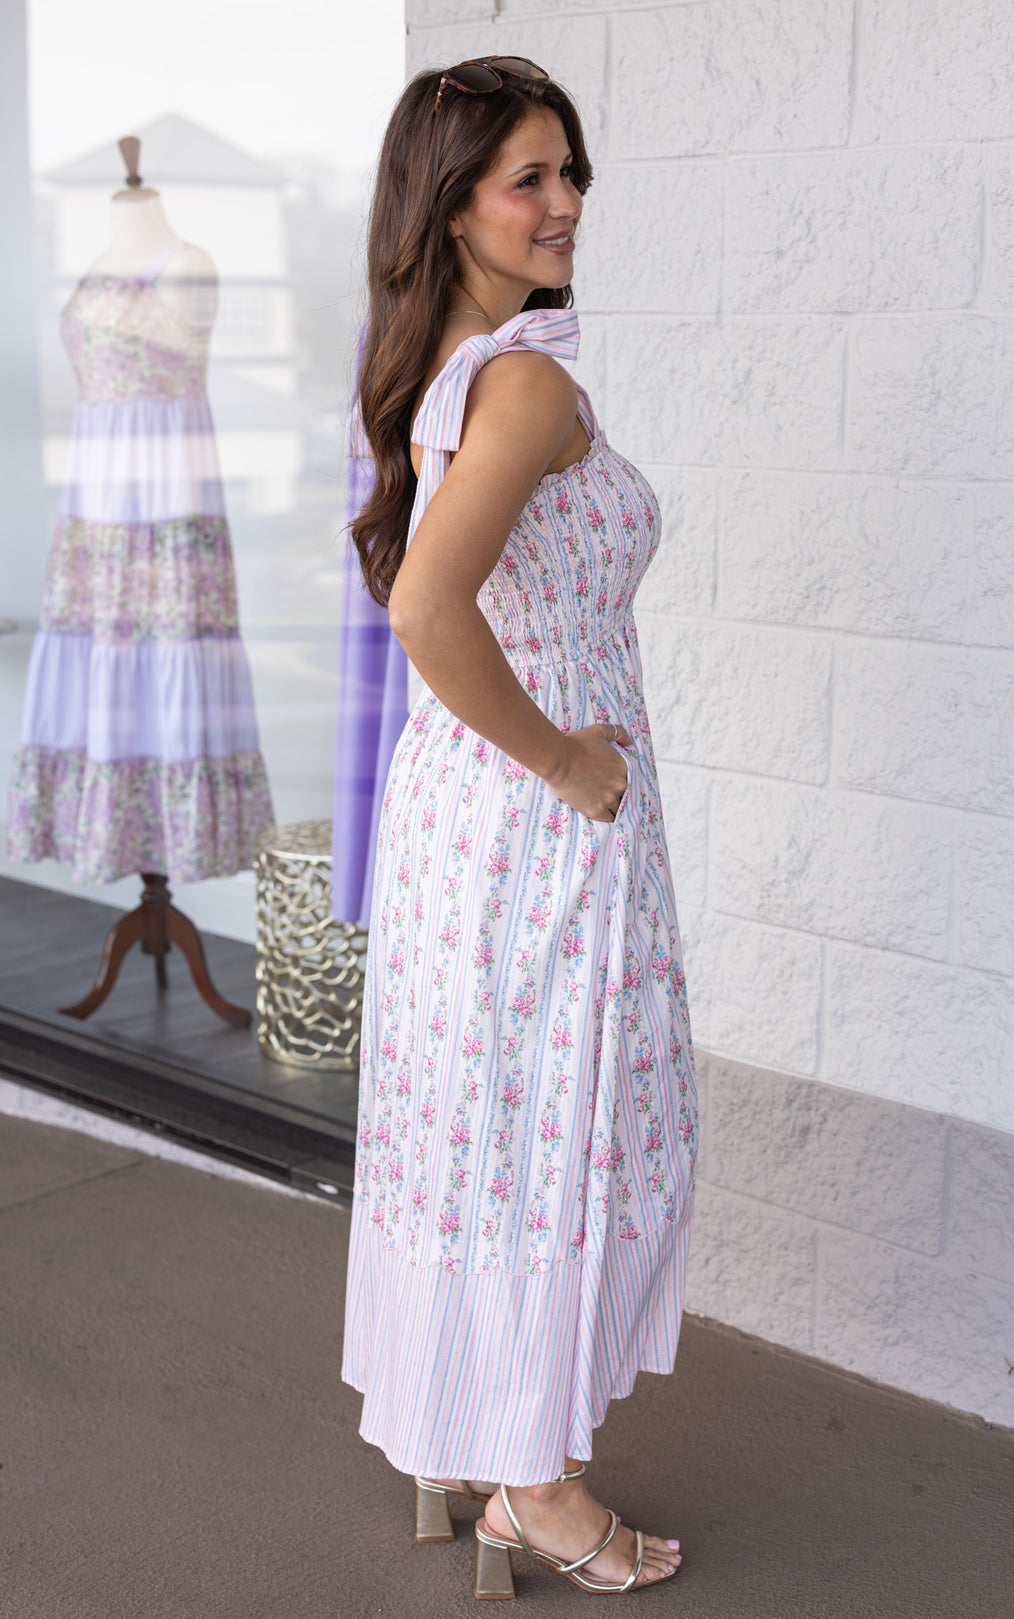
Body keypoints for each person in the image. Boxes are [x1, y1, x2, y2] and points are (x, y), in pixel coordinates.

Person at [341, 56, 697, 1597]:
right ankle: (536, 1491)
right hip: (533, 818)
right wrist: (565, 760)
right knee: (549, 1135)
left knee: (488, 1131)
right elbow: (427, 604)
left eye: (570, 174)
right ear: (452, 204)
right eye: (526, 179)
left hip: (463, 811)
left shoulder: (470, 362)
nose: (564, 205)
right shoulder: (527, 379)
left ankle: (480, 1442)